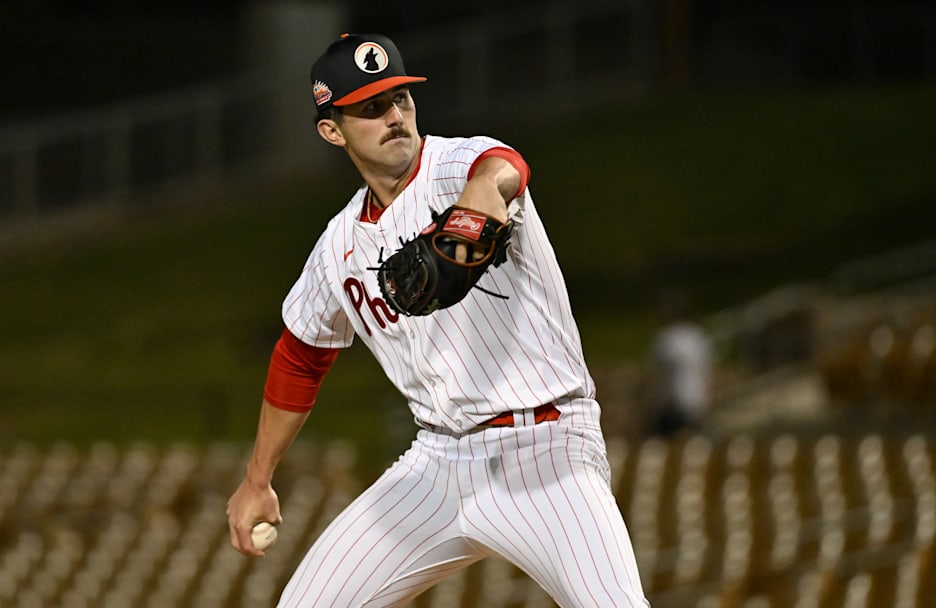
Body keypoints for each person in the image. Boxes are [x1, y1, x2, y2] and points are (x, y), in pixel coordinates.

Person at [226, 33, 649, 607]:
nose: (394, 116)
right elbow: (301, 355)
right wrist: (257, 478)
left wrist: (476, 201)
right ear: (332, 130)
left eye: (400, 98)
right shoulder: (337, 248)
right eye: (371, 108)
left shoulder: (455, 166)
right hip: (437, 461)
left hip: (545, 448)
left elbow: (504, 169)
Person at [643, 288, 714, 437]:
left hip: (672, 407)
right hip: (696, 404)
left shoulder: (665, 339)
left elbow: (655, 378)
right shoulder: (698, 337)